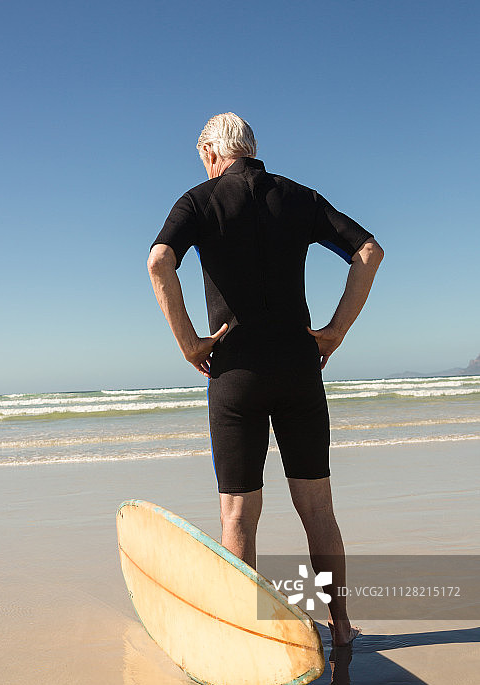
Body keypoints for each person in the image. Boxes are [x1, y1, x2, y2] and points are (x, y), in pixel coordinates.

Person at [147, 113, 384, 646]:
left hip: (233, 374)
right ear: (251, 150)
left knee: (238, 513)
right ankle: (341, 627)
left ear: (212, 153)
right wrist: (333, 332)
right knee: (317, 508)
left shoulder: (198, 202)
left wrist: (190, 343)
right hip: (300, 368)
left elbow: (160, 260)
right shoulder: (298, 196)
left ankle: (243, 635)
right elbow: (369, 252)